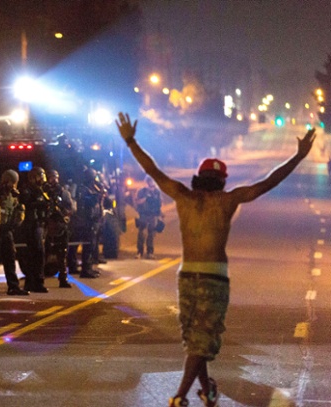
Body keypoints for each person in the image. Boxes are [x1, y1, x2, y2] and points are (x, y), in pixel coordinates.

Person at [116, 112, 316, 407]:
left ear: (199, 177)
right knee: (203, 338)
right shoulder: (228, 200)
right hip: (214, 277)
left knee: (195, 338)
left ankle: (207, 390)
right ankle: (179, 397)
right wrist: (298, 157)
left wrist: (131, 142)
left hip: (187, 276)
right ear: (222, 180)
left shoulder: (183, 196)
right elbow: (268, 183)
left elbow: (153, 170)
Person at [0, 169, 28, 295]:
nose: (13, 185)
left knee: (10, 258)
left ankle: (13, 286)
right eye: (11, 182)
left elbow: (16, 211)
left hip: (7, 230)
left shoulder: (13, 196)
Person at [44, 169, 74, 288]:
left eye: (55, 178)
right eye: (51, 178)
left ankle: (63, 279)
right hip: (48, 225)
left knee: (62, 254)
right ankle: (38, 279)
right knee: (43, 253)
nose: (53, 180)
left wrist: (64, 213)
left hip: (60, 225)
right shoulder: (44, 192)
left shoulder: (63, 192)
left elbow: (70, 207)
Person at [134, 175, 163, 259]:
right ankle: (140, 252)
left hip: (153, 214)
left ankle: (150, 252)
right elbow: (137, 202)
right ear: (146, 183)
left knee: (151, 233)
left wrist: (160, 214)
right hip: (143, 214)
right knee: (141, 233)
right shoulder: (142, 191)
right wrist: (146, 198)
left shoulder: (157, 192)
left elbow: (160, 203)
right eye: (150, 183)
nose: (151, 185)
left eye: (152, 183)